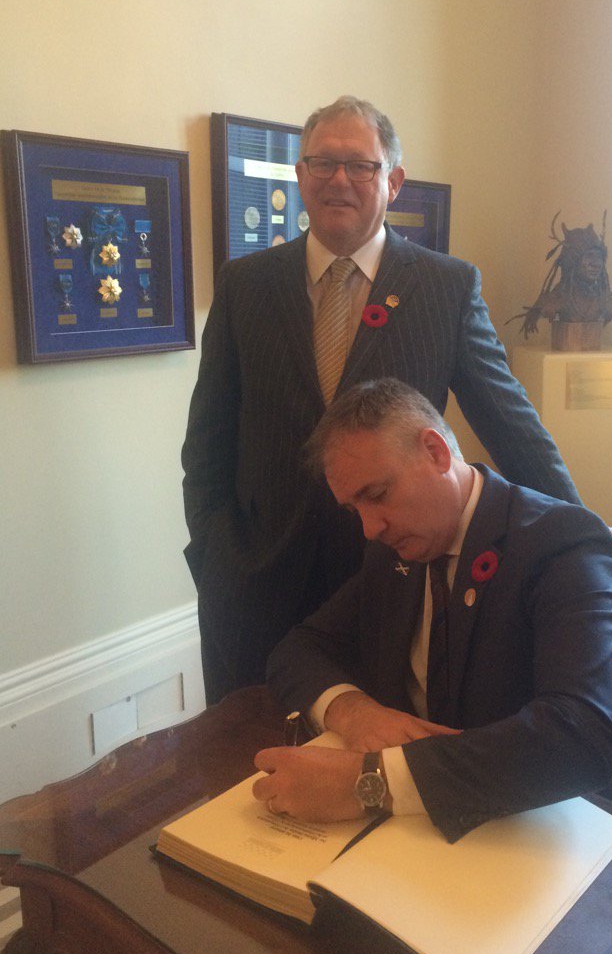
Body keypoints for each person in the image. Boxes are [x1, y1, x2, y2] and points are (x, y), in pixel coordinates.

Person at [182, 95, 581, 705]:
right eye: (322, 163)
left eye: (361, 166)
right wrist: (214, 559)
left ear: (392, 182)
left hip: (394, 586)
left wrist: (579, 534)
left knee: (377, 765)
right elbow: (206, 445)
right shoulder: (245, 286)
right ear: (300, 175)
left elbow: (512, 426)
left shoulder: (446, 288)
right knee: (244, 768)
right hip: (255, 585)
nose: (339, 179)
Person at [256, 379, 612, 842]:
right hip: (455, 826)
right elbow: (297, 649)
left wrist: (370, 781)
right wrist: (353, 712)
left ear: (436, 452)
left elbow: (580, 738)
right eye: (353, 508)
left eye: (376, 495)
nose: (368, 528)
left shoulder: (562, 541)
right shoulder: (394, 551)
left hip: (593, 824)